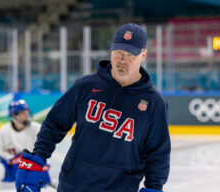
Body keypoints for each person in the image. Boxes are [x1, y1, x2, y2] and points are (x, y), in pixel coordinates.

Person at [15, 23, 171, 192]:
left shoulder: (154, 104)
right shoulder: (86, 86)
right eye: (118, 53)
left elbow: (158, 153)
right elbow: (55, 124)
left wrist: (154, 187)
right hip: (73, 185)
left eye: (129, 55)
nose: (122, 60)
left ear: (143, 55)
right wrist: (38, 157)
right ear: (111, 51)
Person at [0, 99, 51, 192]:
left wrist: (38, 162)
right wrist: (10, 158)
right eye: (23, 113)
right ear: (14, 115)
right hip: (11, 167)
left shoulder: (36, 128)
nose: (27, 115)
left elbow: (44, 148)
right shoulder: (4, 130)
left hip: (32, 167)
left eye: (27, 112)